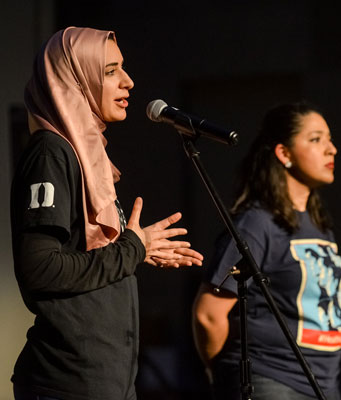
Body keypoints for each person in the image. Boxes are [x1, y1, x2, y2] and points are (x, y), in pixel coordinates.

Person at [10, 27, 204, 400]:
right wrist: (131, 249)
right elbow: (39, 269)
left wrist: (138, 250)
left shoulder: (85, 155)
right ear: (77, 78)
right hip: (66, 384)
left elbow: (90, 255)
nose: (129, 81)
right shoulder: (52, 153)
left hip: (105, 383)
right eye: (111, 70)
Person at [193, 102, 341, 399]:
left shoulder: (318, 226)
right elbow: (208, 314)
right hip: (271, 381)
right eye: (316, 139)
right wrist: (223, 377)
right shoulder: (257, 223)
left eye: (329, 139)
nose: (332, 149)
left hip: (324, 384)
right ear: (284, 153)